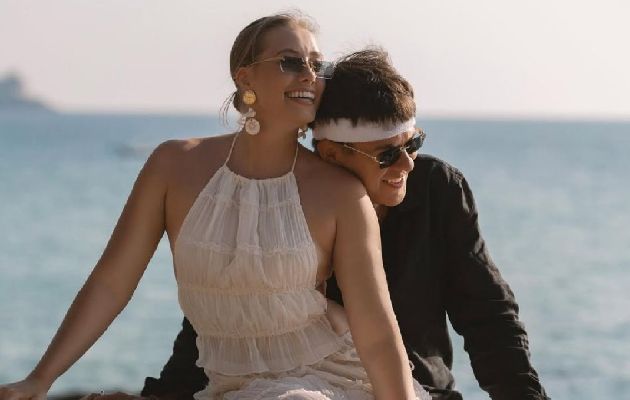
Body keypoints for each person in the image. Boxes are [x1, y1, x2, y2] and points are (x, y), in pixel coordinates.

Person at [0, 13, 430, 400]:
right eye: (290, 62)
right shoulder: (173, 165)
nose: (309, 75)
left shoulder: (341, 193)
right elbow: (111, 283)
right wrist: (40, 380)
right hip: (230, 385)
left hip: (328, 378)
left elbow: (375, 331)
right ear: (245, 78)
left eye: (318, 66)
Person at [140, 50, 550, 400]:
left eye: (413, 144)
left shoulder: (437, 188)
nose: (407, 164)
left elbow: (487, 313)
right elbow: (227, 311)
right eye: (386, 154)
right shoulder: (285, 199)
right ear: (331, 154)